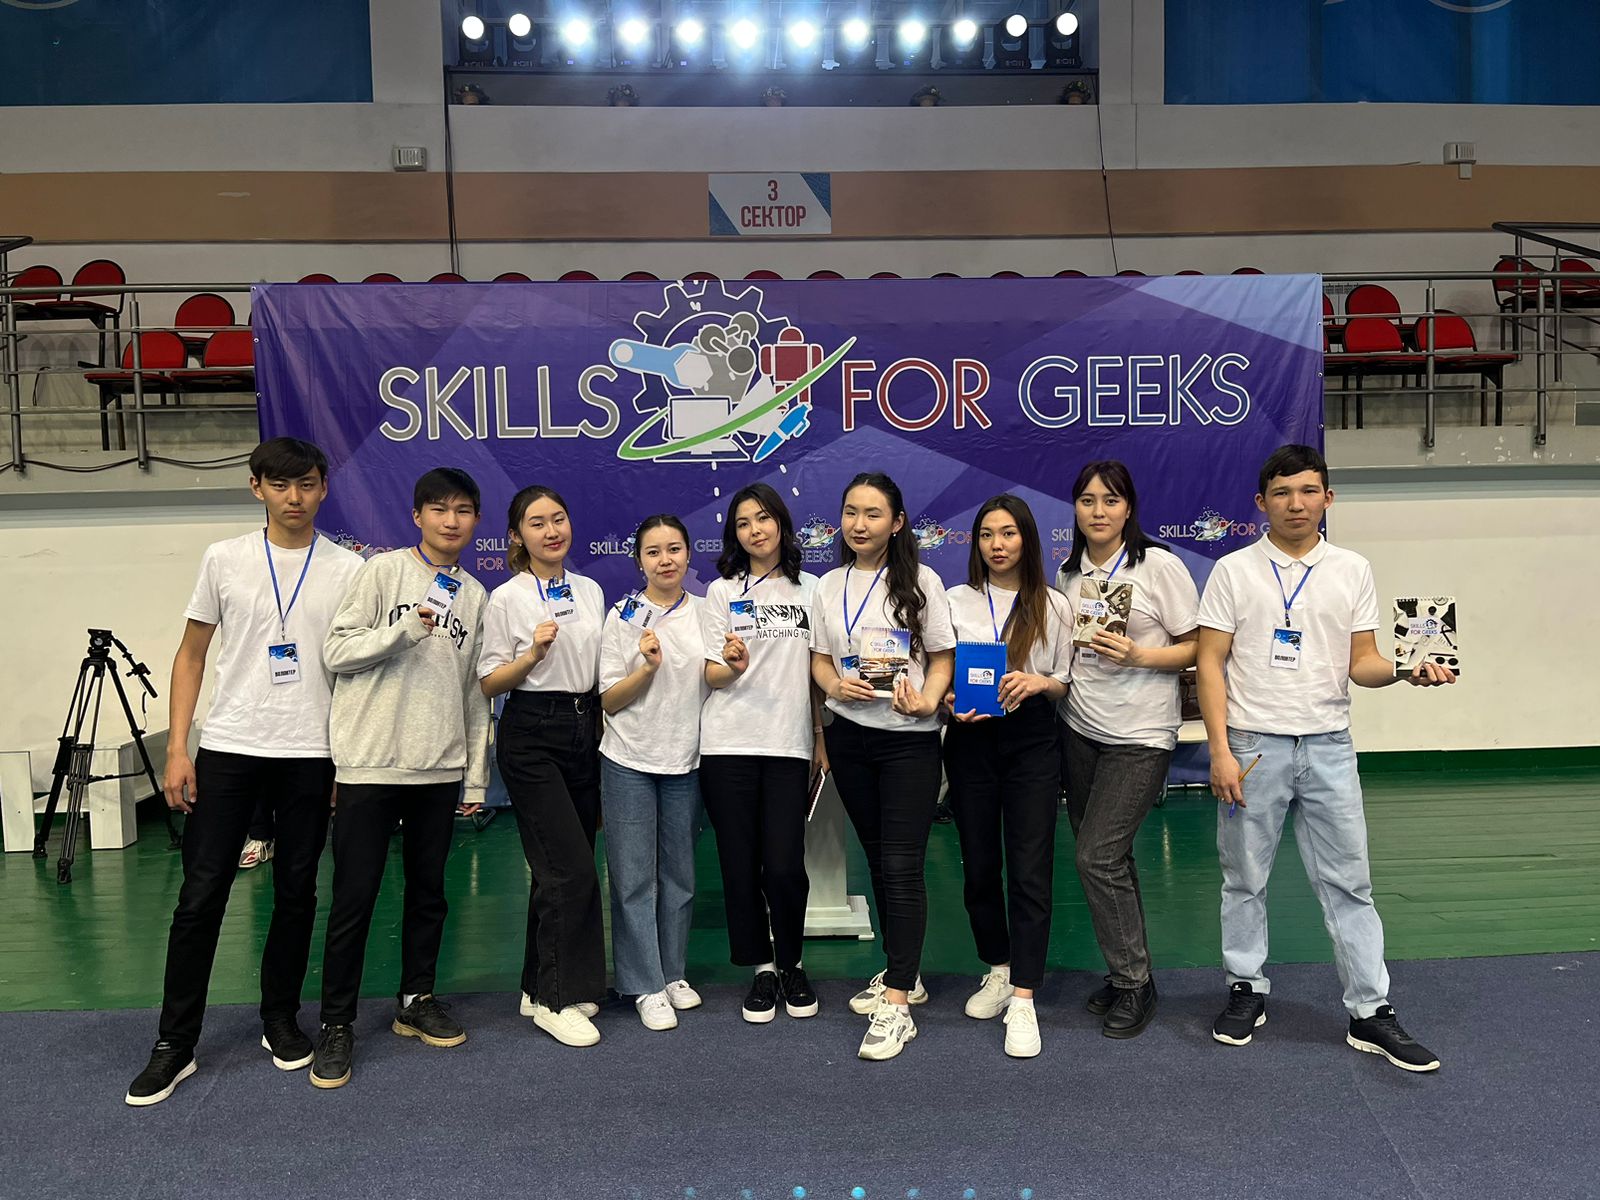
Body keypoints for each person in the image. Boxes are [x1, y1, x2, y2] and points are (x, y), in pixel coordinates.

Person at [1197, 444, 1456, 1072]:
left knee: (1350, 883)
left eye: (1309, 491)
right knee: (1244, 878)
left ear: (1328, 499)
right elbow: (1209, 661)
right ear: (1261, 503)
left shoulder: (1351, 569)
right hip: (1253, 746)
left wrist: (1405, 671)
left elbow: (1362, 662)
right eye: (1283, 493)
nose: (1296, 503)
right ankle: (1245, 987)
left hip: (1329, 747)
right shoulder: (1232, 570)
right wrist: (1220, 749)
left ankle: (1370, 1010)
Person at [124, 438, 363, 1107]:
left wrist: (345, 758)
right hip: (230, 747)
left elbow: (352, 672)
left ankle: (279, 1018)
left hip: (311, 752)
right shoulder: (224, 558)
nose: (295, 497)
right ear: (256, 487)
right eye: (280, 485)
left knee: (296, 893)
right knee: (200, 896)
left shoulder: (348, 569)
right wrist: (178, 749)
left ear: (324, 488)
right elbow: (191, 654)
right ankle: (174, 1043)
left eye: (307, 484)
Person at [309, 467, 491, 1089]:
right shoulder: (381, 572)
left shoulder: (475, 595)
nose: (450, 520)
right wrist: (404, 629)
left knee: (429, 894)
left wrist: (474, 777)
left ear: (475, 520)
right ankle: (337, 1022)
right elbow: (336, 652)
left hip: (438, 767)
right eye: (438, 508)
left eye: (462, 510)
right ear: (417, 516)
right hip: (370, 763)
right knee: (354, 899)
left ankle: (416, 999)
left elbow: (474, 693)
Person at [811, 472, 955, 1061]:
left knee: (901, 865)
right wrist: (833, 685)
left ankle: (898, 1004)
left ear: (896, 523)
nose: (859, 524)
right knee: (876, 859)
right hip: (850, 738)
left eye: (873, 514)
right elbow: (820, 659)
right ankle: (906, 973)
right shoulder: (828, 585)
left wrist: (927, 701)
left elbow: (941, 657)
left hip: (908, 742)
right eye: (851, 512)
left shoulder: (922, 581)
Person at [1055, 461, 1200, 1039]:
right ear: (1075, 507)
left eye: (1110, 500)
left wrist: (1139, 655)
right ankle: (1125, 974)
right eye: (1088, 500)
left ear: (1129, 508)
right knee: (1112, 860)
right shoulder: (1068, 574)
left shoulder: (1159, 566)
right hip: (1079, 729)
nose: (1098, 511)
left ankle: (1135, 982)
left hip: (1140, 735)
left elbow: (1195, 647)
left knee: (1096, 857)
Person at [942, 495, 1071, 1059]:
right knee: (978, 865)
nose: (998, 544)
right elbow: (939, 672)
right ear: (975, 542)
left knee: (1029, 867)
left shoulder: (1054, 604)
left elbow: (1064, 679)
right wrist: (947, 700)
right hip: (970, 740)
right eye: (987, 534)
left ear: (1027, 540)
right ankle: (998, 967)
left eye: (1009, 533)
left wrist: (1038, 682)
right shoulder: (954, 600)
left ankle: (1024, 995)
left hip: (1032, 739)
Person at [479, 485, 608, 1048]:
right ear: (516, 536)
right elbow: (489, 682)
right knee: (569, 870)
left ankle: (537, 987)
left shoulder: (590, 590)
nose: (552, 531)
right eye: (537, 523)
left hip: (586, 726)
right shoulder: (506, 598)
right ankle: (558, 999)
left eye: (559, 518)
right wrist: (531, 655)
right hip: (532, 731)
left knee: (560, 868)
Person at [700, 483, 824, 1024]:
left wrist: (819, 738)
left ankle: (793, 962)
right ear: (735, 533)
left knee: (785, 866)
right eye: (744, 522)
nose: (756, 530)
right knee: (739, 864)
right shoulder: (721, 592)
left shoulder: (812, 590)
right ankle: (763, 969)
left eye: (764, 518)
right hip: (727, 743)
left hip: (787, 744)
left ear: (781, 523)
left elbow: (817, 671)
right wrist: (732, 665)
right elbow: (711, 674)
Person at [599, 514, 708, 1031]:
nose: (666, 560)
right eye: (653, 551)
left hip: (686, 759)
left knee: (680, 875)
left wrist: (736, 662)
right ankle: (644, 983)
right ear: (639, 560)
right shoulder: (623, 616)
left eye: (674, 549)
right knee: (633, 878)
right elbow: (609, 700)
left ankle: (673, 973)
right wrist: (646, 667)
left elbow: (718, 677)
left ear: (689, 554)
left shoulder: (707, 613)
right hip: (628, 758)